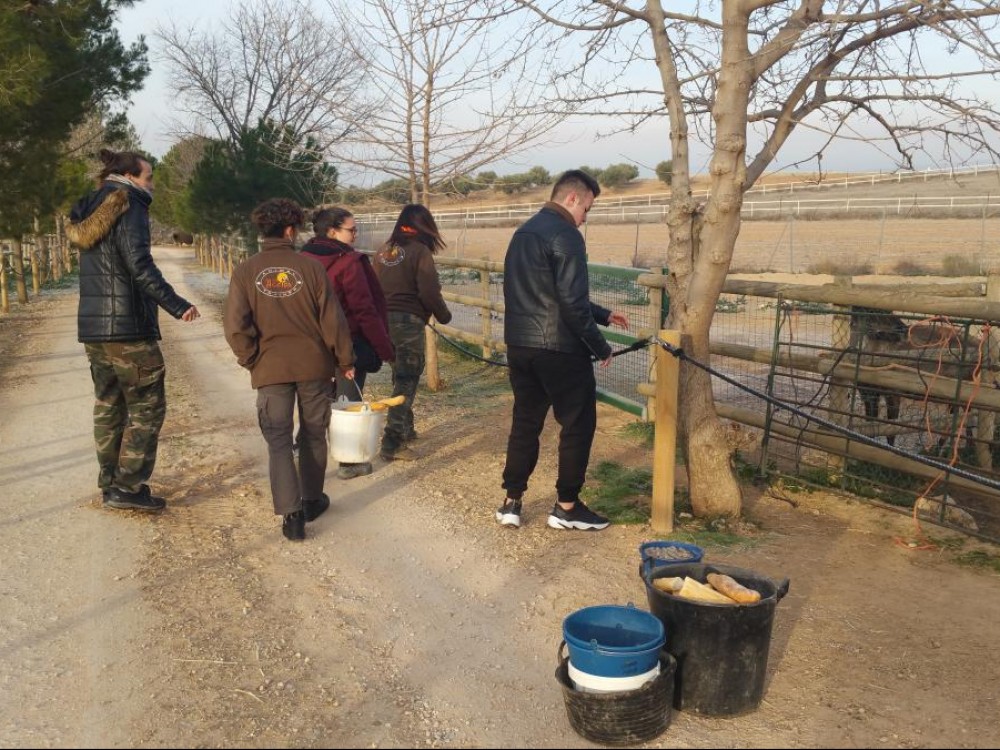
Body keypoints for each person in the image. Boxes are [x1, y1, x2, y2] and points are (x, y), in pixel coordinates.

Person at [67, 148, 200, 513]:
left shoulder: (91, 206)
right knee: (147, 408)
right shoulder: (130, 205)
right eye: (149, 177)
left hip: (95, 329)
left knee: (108, 405)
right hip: (128, 329)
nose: (152, 184)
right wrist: (177, 305)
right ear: (129, 177)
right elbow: (139, 265)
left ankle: (110, 483)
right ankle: (128, 486)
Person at [496, 169, 630, 531]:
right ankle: (567, 506)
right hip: (559, 349)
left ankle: (511, 502)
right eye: (587, 209)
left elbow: (546, 290)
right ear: (572, 198)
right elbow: (570, 302)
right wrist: (600, 346)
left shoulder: (523, 233)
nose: (585, 218)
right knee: (577, 424)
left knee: (525, 422)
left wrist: (603, 314)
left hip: (520, 345)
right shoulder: (567, 235)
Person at [223, 198, 355, 541]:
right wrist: (345, 360)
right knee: (313, 433)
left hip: (270, 368)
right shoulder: (311, 269)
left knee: (278, 441)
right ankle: (311, 499)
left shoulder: (245, 271)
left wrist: (250, 359)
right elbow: (333, 320)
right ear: (290, 230)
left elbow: (235, 325)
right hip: (314, 365)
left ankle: (291, 516)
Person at [301, 207, 394, 479]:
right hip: (346, 342)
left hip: (310, 343)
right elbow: (364, 309)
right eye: (351, 230)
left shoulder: (302, 259)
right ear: (332, 232)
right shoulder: (350, 263)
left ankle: (304, 452)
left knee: (315, 399)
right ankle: (349, 462)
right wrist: (384, 347)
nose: (356, 234)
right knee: (346, 400)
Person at [372, 204, 452, 461]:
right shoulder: (420, 251)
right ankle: (392, 441)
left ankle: (406, 429)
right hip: (407, 321)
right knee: (407, 378)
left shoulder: (383, 250)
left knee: (400, 374)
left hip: (383, 321)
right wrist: (443, 315)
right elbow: (429, 290)